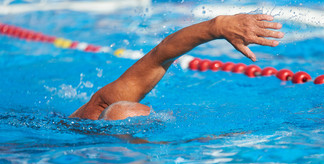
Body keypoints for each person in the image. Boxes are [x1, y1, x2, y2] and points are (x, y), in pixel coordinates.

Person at [69, 14, 284, 120]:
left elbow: (160, 55)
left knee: (117, 109)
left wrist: (218, 26)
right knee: (119, 111)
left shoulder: (98, 106)